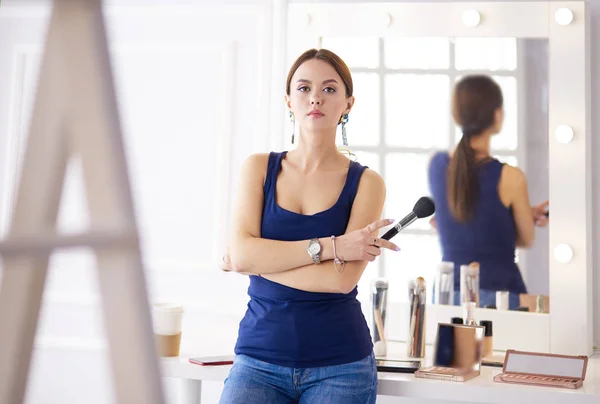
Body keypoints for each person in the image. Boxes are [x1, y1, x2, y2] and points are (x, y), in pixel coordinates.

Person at [218, 48, 400, 404]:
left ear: (348, 103)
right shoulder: (257, 169)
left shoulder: (367, 183)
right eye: (303, 88)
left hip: (342, 366)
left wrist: (256, 261)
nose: (315, 97)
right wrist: (332, 248)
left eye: (330, 89)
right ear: (288, 100)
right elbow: (243, 258)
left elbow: (339, 280)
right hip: (258, 360)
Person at [428, 74, 549, 310]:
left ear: (457, 115)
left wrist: (508, 217)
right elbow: (526, 239)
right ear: (497, 115)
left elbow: (462, 223)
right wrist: (519, 216)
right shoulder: (510, 176)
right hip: (500, 298)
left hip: (448, 298)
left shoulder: (436, 165)